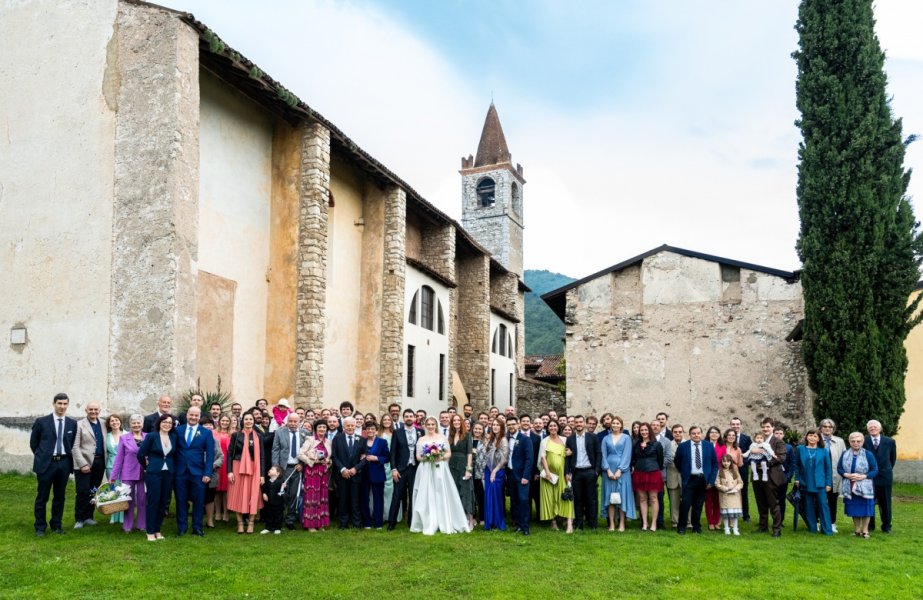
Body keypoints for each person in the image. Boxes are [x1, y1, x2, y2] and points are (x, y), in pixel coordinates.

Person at [410, 417, 471, 535]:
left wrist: (440, 457)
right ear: (425, 426)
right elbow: (418, 456)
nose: (431, 426)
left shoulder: (442, 438)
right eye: (428, 424)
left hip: (440, 468)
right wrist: (428, 457)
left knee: (440, 492)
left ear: (436, 425)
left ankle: (443, 519)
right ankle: (427, 520)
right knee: (426, 493)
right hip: (426, 468)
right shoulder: (422, 439)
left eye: (433, 424)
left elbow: (448, 453)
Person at [31, 393, 77, 536]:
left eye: (65, 404)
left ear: (67, 405)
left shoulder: (72, 423)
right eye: (59, 403)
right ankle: (40, 527)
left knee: (60, 496)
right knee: (42, 496)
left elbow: (72, 442)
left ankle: (56, 525)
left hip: (63, 464)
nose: (62, 407)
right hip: (46, 464)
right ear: (54, 404)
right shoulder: (42, 422)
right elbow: (34, 443)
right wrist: (42, 456)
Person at [174, 406, 215, 537]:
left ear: (199, 417)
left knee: (199, 501)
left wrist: (207, 473)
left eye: (196, 416)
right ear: (187, 415)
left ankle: (197, 527)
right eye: (191, 415)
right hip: (180, 472)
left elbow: (209, 455)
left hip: (198, 472)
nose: (193, 417)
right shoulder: (177, 431)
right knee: (180, 500)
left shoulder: (206, 433)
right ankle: (182, 527)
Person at [137, 413, 177, 541]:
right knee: (153, 501)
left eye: (170, 423)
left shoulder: (173, 437)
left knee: (163, 502)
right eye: (165, 422)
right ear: (159, 423)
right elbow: (140, 454)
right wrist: (147, 467)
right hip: (154, 473)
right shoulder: (152, 436)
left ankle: (158, 530)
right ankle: (150, 531)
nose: (167, 424)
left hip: (168, 473)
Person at [673, 425, 718, 535]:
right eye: (693, 433)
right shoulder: (683, 446)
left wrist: (711, 481)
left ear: (701, 434)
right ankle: (681, 527)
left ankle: (696, 526)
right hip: (689, 479)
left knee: (698, 505)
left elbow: (714, 464)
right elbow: (677, 461)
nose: (696, 435)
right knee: (685, 504)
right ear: (690, 435)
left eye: (698, 433)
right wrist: (684, 473)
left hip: (703, 480)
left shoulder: (708, 446)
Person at [227, 413, 265, 534]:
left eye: (251, 419)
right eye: (246, 419)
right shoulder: (236, 435)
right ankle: (240, 524)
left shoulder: (259, 436)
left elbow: (262, 456)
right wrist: (229, 471)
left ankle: (251, 523)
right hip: (238, 467)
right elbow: (229, 455)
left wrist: (262, 474)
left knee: (252, 494)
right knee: (238, 495)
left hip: (254, 468)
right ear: (242, 421)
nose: (248, 421)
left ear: (253, 421)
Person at [271, 412, 309, 530]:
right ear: (287, 421)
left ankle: (290, 520)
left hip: (297, 469)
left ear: (299, 422)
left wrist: (302, 464)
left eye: (295, 421)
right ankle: (278, 519)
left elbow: (308, 452)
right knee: (282, 495)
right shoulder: (279, 432)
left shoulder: (306, 433)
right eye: (290, 421)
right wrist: (276, 469)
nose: (292, 424)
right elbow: (275, 450)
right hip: (283, 468)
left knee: (293, 495)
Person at [72, 402, 107, 529]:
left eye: (96, 409)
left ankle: (88, 517)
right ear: (86, 410)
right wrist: (82, 464)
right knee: (82, 491)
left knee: (93, 490)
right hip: (84, 463)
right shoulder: (79, 424)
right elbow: (75, 446)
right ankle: (79, 518)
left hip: (99, 462)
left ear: (99, 410)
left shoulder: (103, 423)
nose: (93, 411)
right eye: (91, 409)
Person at [792, 428, 833, 535]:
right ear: (806, 437)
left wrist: (828, 483)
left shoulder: (823, 451)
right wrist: (797, 478)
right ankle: (812, 528)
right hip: (805, 481)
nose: (812, 438)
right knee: (808, 505)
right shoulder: (800, 449)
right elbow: (796, 465)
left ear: (819, 438)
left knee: (823, 505)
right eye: (810, 435)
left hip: (820, 483)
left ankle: (827, 530)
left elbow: (828, 468)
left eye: (815, 436)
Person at [110, 414, 146, 533]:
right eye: (134, 423)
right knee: (128, 500)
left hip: (144, 473)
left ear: (142, 424)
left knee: (142, 499)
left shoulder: (148, 437)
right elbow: (119, 459)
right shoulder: (124, 438)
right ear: (130, 425)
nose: (136, 425)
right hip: (128, 473)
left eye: (138, 422)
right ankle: (127, 525)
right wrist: (113, 477)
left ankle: (142, 525)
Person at [838, 431, 878, 538]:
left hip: (865, 486)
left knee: (866, 509)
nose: (856, 443)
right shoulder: (845, 454)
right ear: (849, 442)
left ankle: (865, 531)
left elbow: (875, 470)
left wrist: (864, 476)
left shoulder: (868, 454)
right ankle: (857, 530)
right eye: (853, 441)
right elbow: (839, 468)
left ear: (862, 442)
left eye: (858, 441)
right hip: (850, 485)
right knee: (854, 509)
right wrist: (846, 474)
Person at [751, 418, 787, 537]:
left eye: (767, 427)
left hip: (771, 476)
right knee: (761, 503)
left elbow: (781, 458)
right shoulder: (757, 441)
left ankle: (777, 529)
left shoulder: (777, 441)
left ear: (772, 427)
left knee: (773, 504)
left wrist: (766, 464)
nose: (765, 429)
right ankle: (763, 526)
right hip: (757, 477)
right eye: (763, 427)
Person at [566, 415, 601, 530]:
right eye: (576, 422)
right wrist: (567, 472)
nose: (579, 424)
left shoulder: (593, 437)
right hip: (576, 472)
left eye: (581, 422)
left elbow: (598, 454)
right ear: (574, 424)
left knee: (591, 499)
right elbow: (568, 457)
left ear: (584, 423)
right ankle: (579, 524)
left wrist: (596, 471)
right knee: (578, 499)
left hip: (590, 471)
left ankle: (593, 524)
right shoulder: (570, 439)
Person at [601, 416, 636, 532]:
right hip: (609, 471)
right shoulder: (606, 439)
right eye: (613, 423)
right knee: (610, 497)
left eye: (617, 423)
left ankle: (622, 523)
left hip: (623, 471)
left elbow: (627, 454)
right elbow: (603, 455)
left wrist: (620, 470)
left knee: (622, 497)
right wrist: (608, 470)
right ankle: (611, 524)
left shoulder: (626, 438)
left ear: (621, 425)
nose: (615, 425)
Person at [539, 420, 574, 532]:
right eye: (550, 426)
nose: (553, 428)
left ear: (558, 428)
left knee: (566, 497)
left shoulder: (564, 440)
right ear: (548, 428)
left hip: (563, 474)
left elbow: (570, 453)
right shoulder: (544, 441)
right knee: (551, 498)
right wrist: (548, 472)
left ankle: (569, 524)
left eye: (555, 426)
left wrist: (571, 453)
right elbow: (543, 457)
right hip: (550, 475)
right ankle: (553, 522)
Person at [298, 419, 332, 531]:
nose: (322, 429)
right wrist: (312, 461)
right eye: (319, 427)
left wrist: (328, 462)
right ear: (315, 429)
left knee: (322, 498)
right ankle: (310, 524)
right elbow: (300, 454)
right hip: (312, 472)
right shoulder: (310, 440)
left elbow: (329, 458)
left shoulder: (328, 442)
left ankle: (320, 523)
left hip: (323, 473)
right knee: (312, 498)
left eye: (324, 427)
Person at [388, 409, 419, 530]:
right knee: (397, 495)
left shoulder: (420, 432)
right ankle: (392, 522)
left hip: (415, 468)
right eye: (406, 416)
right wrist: (394, 469)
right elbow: (393, 453)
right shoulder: (397, 432)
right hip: (400, 469)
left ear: (414, 417)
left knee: (413, 495)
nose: (409, 418)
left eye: (411, 416)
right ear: (403, 418)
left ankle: (411, 521)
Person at [332, 416, 365, 529]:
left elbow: (364, 458)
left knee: (355, 500)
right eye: (348, 425)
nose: (350, 427)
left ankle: (356, 523)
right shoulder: (337, 439)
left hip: (356, 474)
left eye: (352, 425)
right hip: (342, 475)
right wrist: (343, 469)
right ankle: (343, 523)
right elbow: (334, 456)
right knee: (343, 499)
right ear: (344, 427)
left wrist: (356, 469)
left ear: (355, 426)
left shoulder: (361, 439)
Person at [864, 419, 896, 533]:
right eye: (870, 427)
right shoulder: (864, 441)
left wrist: (885, 470)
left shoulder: (890, 441)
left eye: (875, 427)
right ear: (868, 429)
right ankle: (870, 526)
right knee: (869, 502)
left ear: (880, 429)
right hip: (869, 477)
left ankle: (887, 526)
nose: (873, 428)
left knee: (885, 502)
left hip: (885, 477)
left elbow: (892, 459)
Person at [632, 422, 664, 532]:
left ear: (649, 431)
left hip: (653, 473)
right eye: (642, 430)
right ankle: (645, 523)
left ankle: (653, 524)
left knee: (654, 498)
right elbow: (634, 458)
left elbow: (661, 461)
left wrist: (653, 468)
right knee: (642, 498)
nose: (644, 432)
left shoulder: (656, 444)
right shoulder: (636, 444)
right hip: (639, 473)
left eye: (646, 430)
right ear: (639, 432)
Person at [359, 421, 390, 529]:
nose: (370, 431)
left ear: (376, 431)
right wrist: (360, 457)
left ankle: (378, 523)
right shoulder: (361, 441)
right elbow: (356, 454)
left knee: (378, 499)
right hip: (363, 474)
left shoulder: (382, 442)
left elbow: (387, 457)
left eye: (372, 429)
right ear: (365, 431)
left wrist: (376, 458)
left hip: (377, 474)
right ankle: (366, 523)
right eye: (368, 429)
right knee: (364, 499)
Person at [447, 414, 475, 528]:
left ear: (462, 422)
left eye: (458, 420)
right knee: (455, 491)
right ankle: (457, 519)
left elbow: (469, 453)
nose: (456, 422)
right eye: (454, 420)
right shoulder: (450, 435)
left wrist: (468, 469)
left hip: (463, 465)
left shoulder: (467, 435)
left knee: (466, 490)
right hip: (452, 465)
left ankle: (470, 519)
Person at [819, 418, 846, 533]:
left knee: (832, 500)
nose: (827, 429)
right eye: (825, 426)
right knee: (818, 499)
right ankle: (818, 522)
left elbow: (844, 457)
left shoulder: (839, 441)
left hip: (834, 475)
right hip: (819, 474)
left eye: (830, 427)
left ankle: (831, 523)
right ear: (820, 428)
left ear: (833, 429)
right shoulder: (815, 438)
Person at [509, 415, 534, 535]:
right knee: (515, 501)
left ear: (518, 424)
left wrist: (526, 476)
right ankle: (519, 525)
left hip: (522, 476)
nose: (511, 426)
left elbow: (529, 459)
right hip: (511, 475)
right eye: (508, 425)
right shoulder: (506, 439)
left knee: (523, 500)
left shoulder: (524, 439)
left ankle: (525, 527)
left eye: (513, 424)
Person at [483, 417, 509, 531]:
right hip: (488, 470)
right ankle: (490, 522)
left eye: (497, 425)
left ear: (502, 427)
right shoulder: (490, 439)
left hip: (498, 471)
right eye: (493, 424)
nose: (495, 426)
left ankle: (498, 522)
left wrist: (495, 470)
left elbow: (504, 458)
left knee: (497, 497)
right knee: (489, 496)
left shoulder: (503, 440)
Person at [200, 415, 224, 529]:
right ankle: (198, 519)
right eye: (205, 425)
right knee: (198, 497)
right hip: (198, 473)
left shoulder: (215, 441)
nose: (208, 427)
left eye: (210, 425)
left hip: (212, 473)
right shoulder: (197, 440)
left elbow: (221, 456)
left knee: (210, 498)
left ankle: (210, 520)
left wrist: (212, 465)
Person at [729, 417, 752, 522]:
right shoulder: (727, 438)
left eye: (737, 424)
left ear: (740, 425)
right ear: (730, 425)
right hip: (729, 470)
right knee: (729, 490)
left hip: (742, 469)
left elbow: (750, 453)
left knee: (743, 491)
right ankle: (730, 513)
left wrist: (742, 464)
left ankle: (745, 515)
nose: (735, 426)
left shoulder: (746, 439)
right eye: (733, 424)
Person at [103, 414, 125, 525]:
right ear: (109, 423)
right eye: (112, 421)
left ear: (120, 422)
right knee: (113, 490)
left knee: (123, 490)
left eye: (116, 420)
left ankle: (122, 516)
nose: (115, 422)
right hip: (111, 466)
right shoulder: (106, 436)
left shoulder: (127, 434)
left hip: (125, 466)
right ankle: (113, 515)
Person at [715, 453, 744, 535]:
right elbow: (717, 484)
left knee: (734, 515)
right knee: (726, 514)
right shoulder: (720, 472)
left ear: (731, 462)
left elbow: (740, 482)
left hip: (735, 496)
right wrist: (725, 488)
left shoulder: (735, 471)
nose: (726, 463)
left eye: (728, 461)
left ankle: (735, 529)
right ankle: (726, 528)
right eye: (724, 462)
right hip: (725, 496)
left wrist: (736, 488)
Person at [703, 425, 724, 530]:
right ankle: (710, 522)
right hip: (707, 475)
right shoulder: (704, 445)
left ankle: (716, 521)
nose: (714, 434)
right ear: (708, 434)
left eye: (716, 432)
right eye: (712, 432)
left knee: (717, 500)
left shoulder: (722, 446)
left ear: (719, 434)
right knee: (708, 500)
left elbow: (724, 462)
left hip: (719, 475)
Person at [378, 414, 398, 523]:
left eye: (388, 419)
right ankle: (380, 514)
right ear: (381, 421)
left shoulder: (395, 434)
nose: (386, 421)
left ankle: (390, 514)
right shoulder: (378, 434)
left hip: (392, 465)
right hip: (381, 464)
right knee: (381, 490)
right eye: (384, 419)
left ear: (391, 421)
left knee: (391, 490)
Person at [665, 424, 685, 528]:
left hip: (685, 476)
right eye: (675, 432)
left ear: (683, 432)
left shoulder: (688, 444)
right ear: (672, 433)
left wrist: (675, 458)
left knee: (687, 500)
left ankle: (688, 521)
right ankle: (675, 521)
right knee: (674, 501)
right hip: (672, 475)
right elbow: (668, 459)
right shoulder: (669, 444)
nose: (677, 434)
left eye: (680, 432)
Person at [214, 414, 233, 522]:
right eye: (223, 420)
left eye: (227, 421)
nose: (225, 422)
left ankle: (226, 512)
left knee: (226, 490)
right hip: (217, 462)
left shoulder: (233, 434)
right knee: (216, 489)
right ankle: (217, 512)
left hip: (228, 463)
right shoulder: (213, 432)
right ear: (219, 421)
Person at [471, 422, 487, 524]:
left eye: (480, 429)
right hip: (469, 471)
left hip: (481, 472)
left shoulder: (486, 442)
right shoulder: (468, 440)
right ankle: (472, 517)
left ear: (483, 430)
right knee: (471, 495)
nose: (477, 431)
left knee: (481, 495)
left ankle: (482, 517)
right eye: (476, 428)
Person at [260, 465, 284, 534]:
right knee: (269, 515)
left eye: (272, 469)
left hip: (278, 503)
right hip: (269, 503)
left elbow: (283, 491)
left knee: (278, 515)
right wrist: (264, 494)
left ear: (277, 473)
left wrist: (284, 487)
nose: (270, 470)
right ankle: (268, 527)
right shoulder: (267, 482)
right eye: (270, 469)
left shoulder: (281, 482)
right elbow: (264, 489)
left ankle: (277, 528)